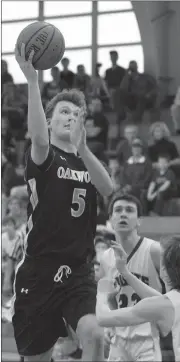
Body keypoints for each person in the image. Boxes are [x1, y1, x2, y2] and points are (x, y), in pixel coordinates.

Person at [13, 43, 113, 362]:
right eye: (62, 112)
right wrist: (32, 82)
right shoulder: (44, 156)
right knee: (38, 358)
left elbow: (109, 188)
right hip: (40, 271)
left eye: (74, 112)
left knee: (96, 337)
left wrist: (83, 149)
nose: (69, 116)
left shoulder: (86, 159)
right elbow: (38, 138)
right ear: (51, 120)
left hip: (77, 271)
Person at [98, 193, 162, 362]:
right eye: (118, 210)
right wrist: (107, 327)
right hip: (118, 340)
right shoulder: (106, 257)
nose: (123, 214)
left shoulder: (154, 250)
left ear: (139, 220)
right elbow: (108, 300)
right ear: (111, 219)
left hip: (147, 338)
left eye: (129, 210)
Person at [96, 236, 180, 362]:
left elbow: (103, 318)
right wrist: (125, 272)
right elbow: (160, 299)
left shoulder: (164, 305)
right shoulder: (169, 302)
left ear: (166, 269)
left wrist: (101, 292)